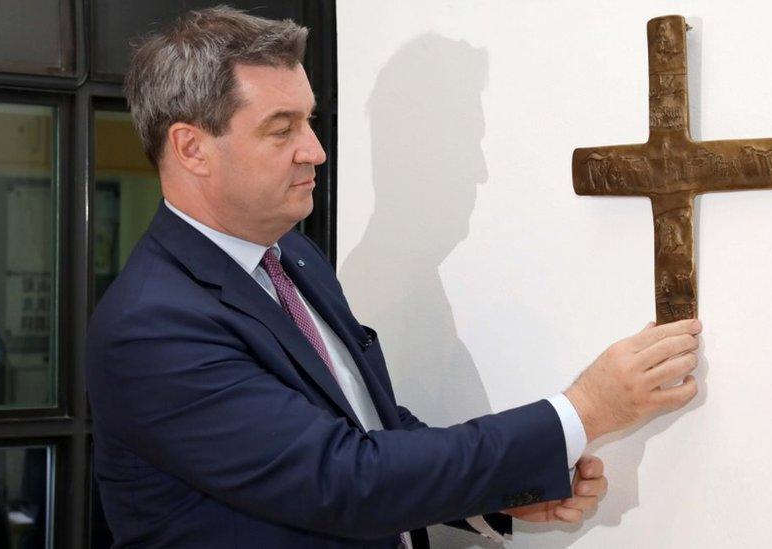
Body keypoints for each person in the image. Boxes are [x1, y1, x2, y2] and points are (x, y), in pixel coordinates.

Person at [85, 7, 702, 548]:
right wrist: (585, 409)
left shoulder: (294, 257)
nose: (315, 150)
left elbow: (372, 424)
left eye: (310, 120)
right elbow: (345, 481)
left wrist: (497, 494)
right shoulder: (151, 326)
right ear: (192, 148)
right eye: (282, 129)